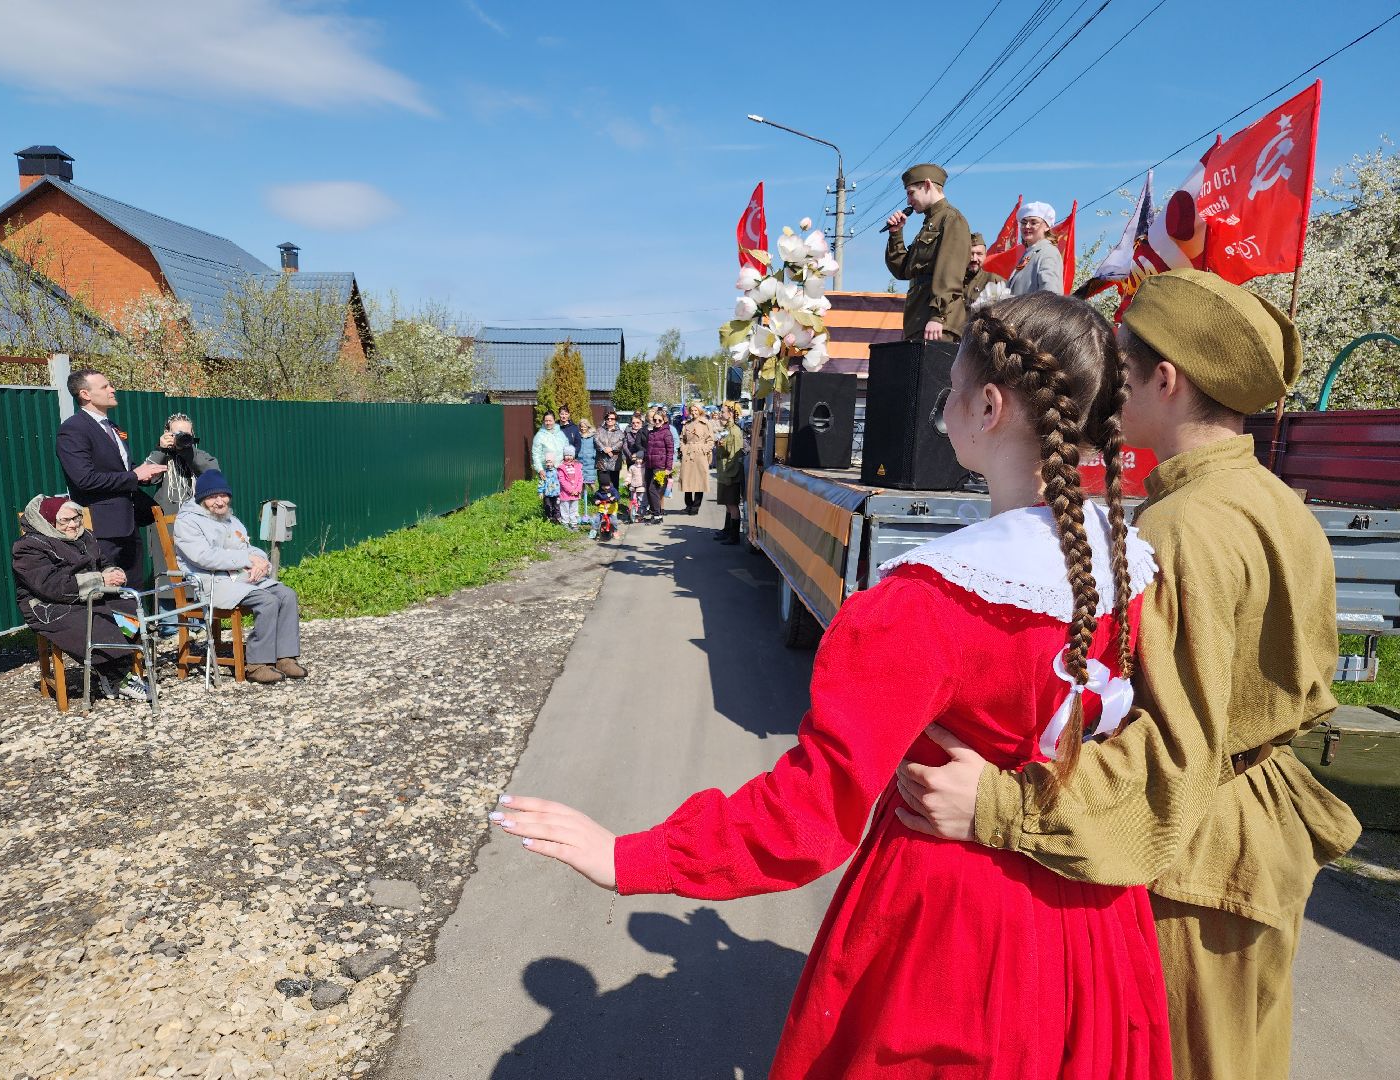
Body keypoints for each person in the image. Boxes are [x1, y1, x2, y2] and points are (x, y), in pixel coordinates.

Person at [490, 292, 1173, 1079]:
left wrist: (631, 857)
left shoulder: (929, 604)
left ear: (990, 407)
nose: (936, 411)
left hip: (957, 931)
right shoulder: (1128, 565)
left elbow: (811, 812)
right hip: (1096, 920)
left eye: (948, 392)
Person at [894, 269, 1362, 1080]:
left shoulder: (1181, 531)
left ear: (1166, 381)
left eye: (1121, 362)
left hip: (1197, 855)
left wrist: (1001, 806)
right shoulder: (1278, 502)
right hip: (1258, 830)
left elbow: (1173, 751)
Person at [11, 494, 151, 702]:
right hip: (49, 605)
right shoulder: (29, 546)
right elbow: (52, 585)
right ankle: (118, 678)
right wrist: (99, 580)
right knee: (95, 623)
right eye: (65, 521)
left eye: (76, 517)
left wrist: (113, 573)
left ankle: (113, 669)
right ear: (49, 522)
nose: (73, 524)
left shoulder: (85, 536)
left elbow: (102, 562)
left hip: (88, 595)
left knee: (130, 610)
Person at [173, 470, 308, 686]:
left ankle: (285, 657)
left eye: (223, 495)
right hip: (213, 582)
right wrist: (246, 559)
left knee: (286, 594)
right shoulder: (188, 522)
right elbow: (204, 557)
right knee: (267, 601)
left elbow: (246, 546)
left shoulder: (230, 519)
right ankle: (257, 665)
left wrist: (261, 561)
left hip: (240, 578)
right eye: (212, 497)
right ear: (201, 500)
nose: (219, 501)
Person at [55, 368, 167, 588]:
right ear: (85, 394)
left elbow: (121, 468)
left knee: (133, 589)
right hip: (101, 528)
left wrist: (143, 474)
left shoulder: (114, 427)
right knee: (108, 592)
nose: (112, 390)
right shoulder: (72, 429)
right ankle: (112, 624)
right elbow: (84, 479)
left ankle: (133, 624)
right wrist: (133, 475)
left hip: (129, 523)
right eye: (105, 386)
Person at [143, 413, 220, 636]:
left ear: (193, 435)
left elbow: (212, 474)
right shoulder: (162, 458)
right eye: (176, 433)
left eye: (185, 433)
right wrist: (160, 449)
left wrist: (187, 452)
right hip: (167, 529)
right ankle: (169, 629)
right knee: (168, 575)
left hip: (198, 528)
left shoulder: (200, 456)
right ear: (167, 434)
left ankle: (198, 627)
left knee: (200, 573)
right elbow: (145, 477)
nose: (180, 438)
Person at [884, 163, 971, 343]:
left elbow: (950, 271)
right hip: (918, 317)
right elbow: (903, 270)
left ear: (927, 185)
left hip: (938, 322)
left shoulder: (951, 219)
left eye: (911, 193)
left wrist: (938, 316)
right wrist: (895, 234)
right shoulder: (930, 223)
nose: (908, 201)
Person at [1007, 202, 1065, 297]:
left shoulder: (1048, 252)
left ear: (1046, 227)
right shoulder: (1028, 254)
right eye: (1024, 223)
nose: (1027, 226)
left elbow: (1051, 294)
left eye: (1033, 222)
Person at [711, 403, 745, 545]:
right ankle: (727, 530)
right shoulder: (726, 430)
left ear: (730, 414)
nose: (720, 414)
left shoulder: (735, 431)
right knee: (727, 503)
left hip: (730, 473)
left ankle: (734, 536)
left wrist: (731, 475)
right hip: (725, 472)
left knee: (732, 504)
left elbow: (735, 456)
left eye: (723, 411)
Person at [677, 402, 714, 516]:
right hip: (688, 453)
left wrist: (704, 449)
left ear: (700, 411)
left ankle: (696, 507)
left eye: (696, 410)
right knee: (687, 480)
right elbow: (682, 439)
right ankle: (688, 505)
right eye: (692, 410)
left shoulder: (705, 423)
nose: (693, 412)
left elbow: (711, 440)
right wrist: (683, 449)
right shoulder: (687, 424)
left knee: (699, 481)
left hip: (700, 454)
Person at [643, 408, 675, 525]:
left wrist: (668, 468)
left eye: (659, 420)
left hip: (660, 467)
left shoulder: (667, 433)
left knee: (654, 490)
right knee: (649, 490)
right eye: (655, 419)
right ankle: (655, 514)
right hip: (650, 465)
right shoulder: (651, 432)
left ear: (664, 420)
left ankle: (657, 516)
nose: (656, 422)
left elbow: (670, 451)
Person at [963, 231, 1005, 311]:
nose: (974, 259)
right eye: (971, 254)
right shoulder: (953, 280)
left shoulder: (995, 281)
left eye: (979, 254)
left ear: (985, 255)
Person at [621, 412, 649, 522]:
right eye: (633, 423)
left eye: (638, 422)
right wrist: (630, 456)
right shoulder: (627, 432)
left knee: (643, 482)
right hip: (631, 460)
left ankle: (643, 506)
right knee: (632, 481)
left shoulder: (645, 432)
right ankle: (633, 505)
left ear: (642, 423)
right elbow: (624, 445)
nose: (635, 424)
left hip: (643, 460)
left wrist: (640, 455)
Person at [531, 411, 570, 478]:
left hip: (561, 469)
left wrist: (568, 462)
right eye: (546, 421)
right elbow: (536, 455)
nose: (548, 423)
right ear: (543, 421)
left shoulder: (560, 434)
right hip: (547, 470)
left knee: (562, 488)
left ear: (554, 421)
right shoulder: (539, 436)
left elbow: (567, 449)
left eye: (550, 420)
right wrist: (540, 469)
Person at [594, 411, 624, 495]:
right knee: (603, 482)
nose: (609, 420)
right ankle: (602, 500)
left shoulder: (620, 432)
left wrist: (612, 448)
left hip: (614, 462)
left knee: (614, 482)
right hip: (601, 461)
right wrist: (604, 449)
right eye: (608, 418)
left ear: (615, 420)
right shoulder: (599, 430)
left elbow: (621, 442)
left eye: (612, 418)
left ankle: (614, 501)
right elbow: (596, 440)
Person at [556, 445, 584, 529]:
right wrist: (571, 490)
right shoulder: (561, 467)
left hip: (575, 493)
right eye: (567, 455)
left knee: (574, 509)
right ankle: (565, 523)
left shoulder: (578, 466)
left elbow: (580, 479)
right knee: (564, 509)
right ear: (564, 456)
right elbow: (562, 481)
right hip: (565, 493)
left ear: (573, 456)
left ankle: (573, 523)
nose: (568, 457)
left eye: (570, 455)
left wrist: (578, 489)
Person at [537, 453, 561, 524]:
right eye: (547, 462)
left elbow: (561, 481)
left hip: (556, 494)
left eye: (550, 462)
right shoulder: (544, 472)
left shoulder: (557, 472)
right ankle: (549, 519)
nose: (548, 464)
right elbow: (541, 482)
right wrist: (540, 492)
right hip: (547, 494)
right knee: (547, 506)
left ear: (553, 463)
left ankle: (557, 519)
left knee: (556, 507)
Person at [577, 417, 598, 494]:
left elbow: (596, 447)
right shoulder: (578, 436)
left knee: (591, 483)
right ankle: (582, 500)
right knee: (581, 483)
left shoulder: (592, 436)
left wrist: (594, 455)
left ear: (588, 426)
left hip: (590, 463)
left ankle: (596, 497)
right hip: (580, 462)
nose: (583, 428)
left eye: (584, 426)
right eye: (581, 426)